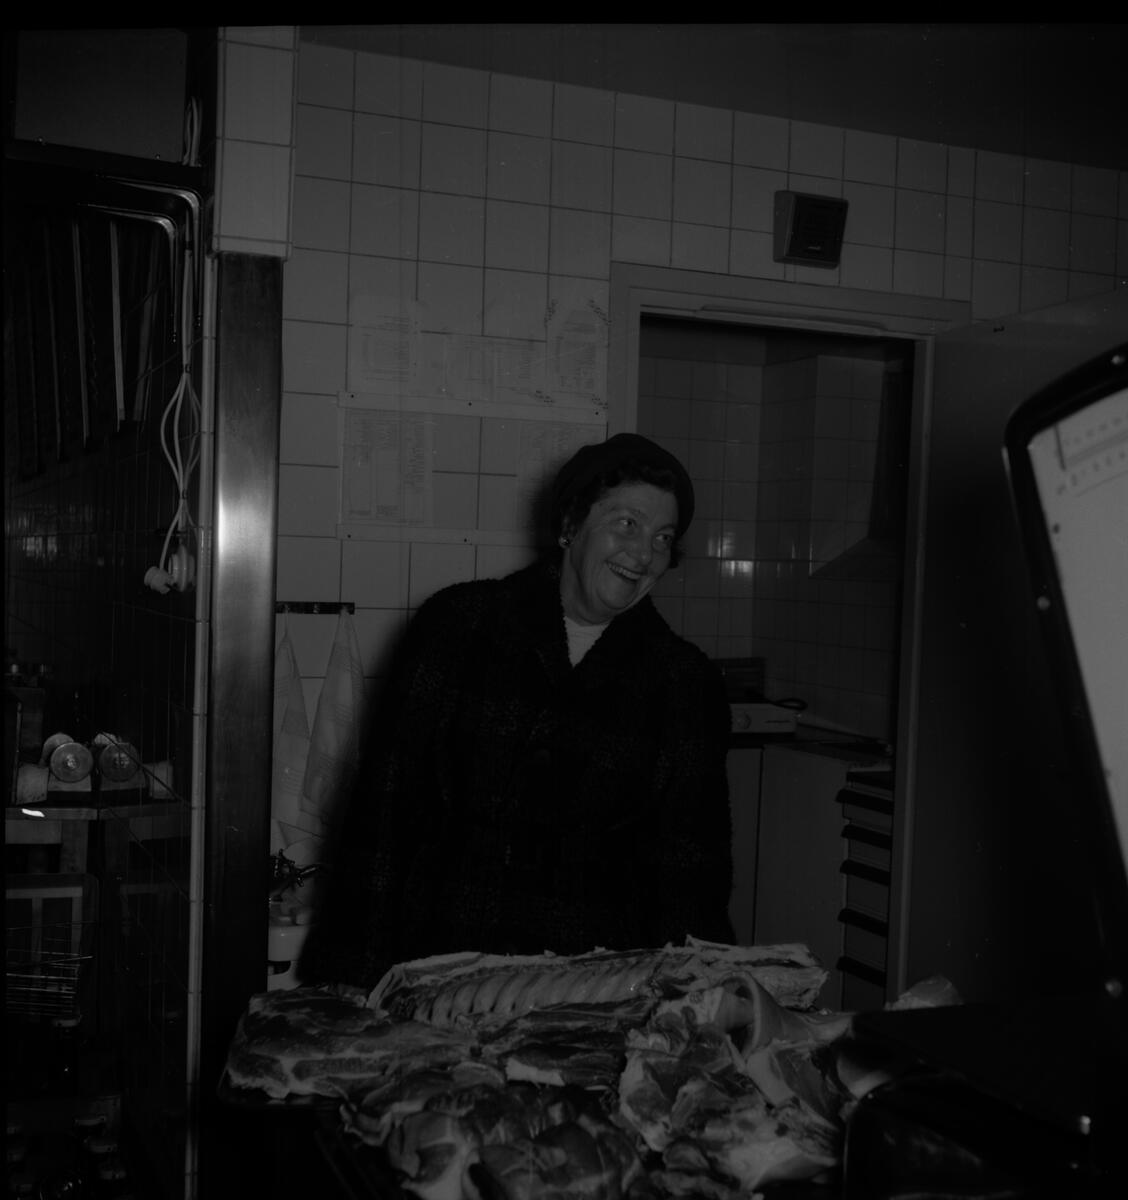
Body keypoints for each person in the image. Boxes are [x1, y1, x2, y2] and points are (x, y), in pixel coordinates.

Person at [302, 433, 734, 989]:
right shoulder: (458, 626)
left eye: (662, 538)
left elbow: (691, 873)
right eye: (627, 523)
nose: (644, 552)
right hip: (439, 969)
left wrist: (705, 999)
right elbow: (384, 813)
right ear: (571, 524)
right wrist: (350, 978)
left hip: (593, 988)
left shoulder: (684, 682)